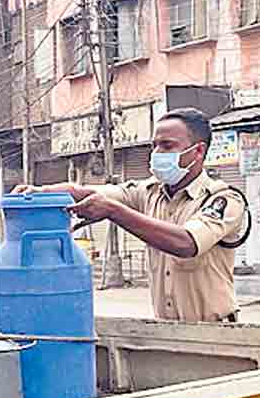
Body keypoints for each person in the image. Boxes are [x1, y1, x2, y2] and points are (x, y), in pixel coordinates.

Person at [14, 107, 247, 323]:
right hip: (167, 331)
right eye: (154, 145)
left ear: (197, 151)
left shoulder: (224, 199)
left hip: (216, 331)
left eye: (167, 146)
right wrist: (40, 191)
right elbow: (82, 192)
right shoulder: (149, 192)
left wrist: (114, 212)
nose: (157, 153)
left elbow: (186, 243)